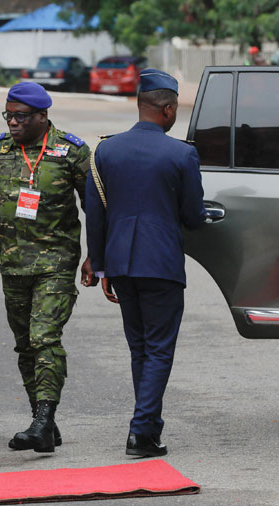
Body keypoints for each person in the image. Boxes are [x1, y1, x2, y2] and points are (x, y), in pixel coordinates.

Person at [0, 82, 97, 453]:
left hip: (56, 265)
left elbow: (97, 207)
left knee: (44, 338)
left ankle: (42, 420)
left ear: (43, 116)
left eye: (21, 116)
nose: (12, 122)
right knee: (25, 345)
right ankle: (43, 420)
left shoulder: (71, 152)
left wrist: (98, 254)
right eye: (8, 115)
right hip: (13, 266)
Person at [85, 69, 206, 458]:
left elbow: (96, 213)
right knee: (158, 348)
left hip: (120, 264)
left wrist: (100, 266)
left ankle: (149, 428)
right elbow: (192, 215)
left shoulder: (106, 150)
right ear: (168, 109)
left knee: (140, 348)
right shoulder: (182, 153)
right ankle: (140, 432)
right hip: (160, 264)